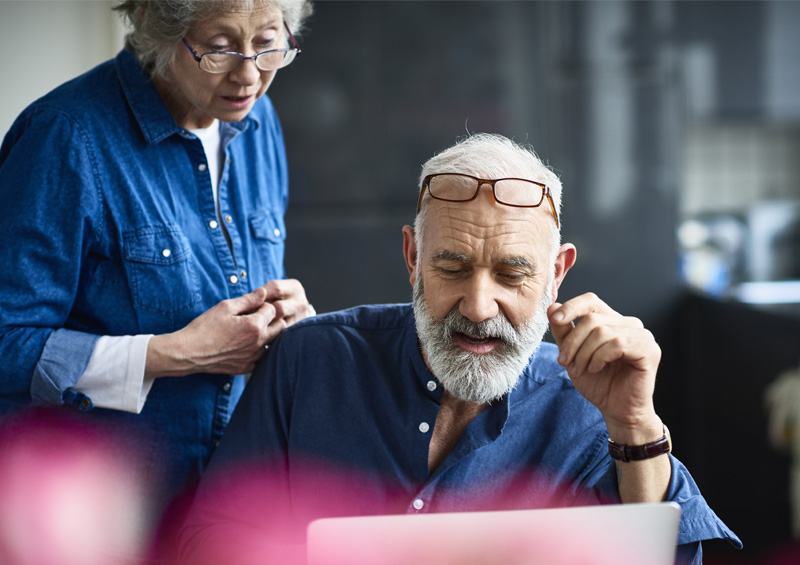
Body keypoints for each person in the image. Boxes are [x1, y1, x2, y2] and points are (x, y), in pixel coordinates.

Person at [178, 133, 742, 564]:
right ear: (412, 259)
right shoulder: (309, 362)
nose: (478, 306)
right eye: (452, 267)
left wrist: (635, 423)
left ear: (556, 275)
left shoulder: (591, 404)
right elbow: (211, 540)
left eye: (511, 274)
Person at [0, 0, 314, 550]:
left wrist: (285, 321)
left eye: (268, 44)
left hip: (211, 512)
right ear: (152, 20)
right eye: (219, 48)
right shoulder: (65, 136)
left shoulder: (258, 122)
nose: (248, 74)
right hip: (79, 525)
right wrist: (174, 354)